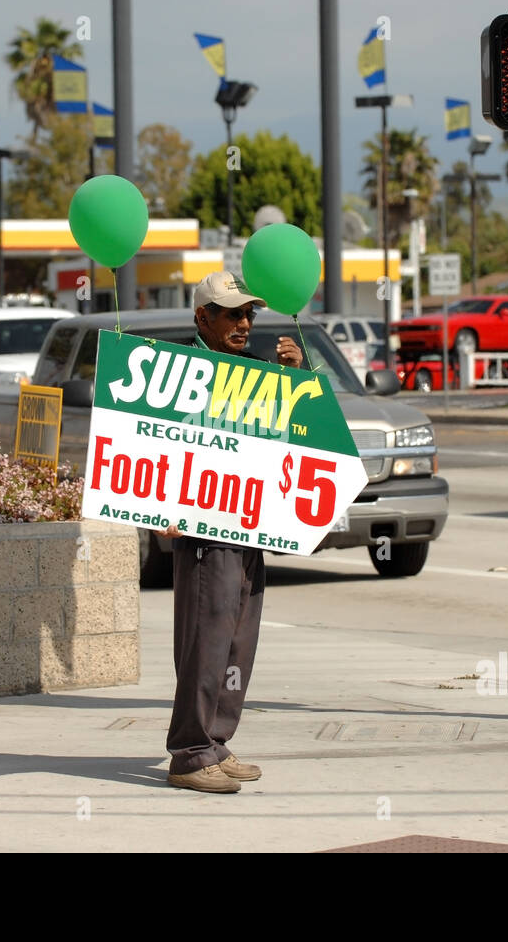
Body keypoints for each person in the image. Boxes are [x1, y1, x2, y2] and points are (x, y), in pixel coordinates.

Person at [158, 270, 302, 794]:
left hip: (249, 526)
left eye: (249, 314)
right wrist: (158, 508)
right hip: (204, 527)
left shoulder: (255, 374)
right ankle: (190, 753)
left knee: (238, 639)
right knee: (206, 634)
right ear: (203, 318)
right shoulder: (180, 373)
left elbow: (291, 437)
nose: (244, 323)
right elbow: (156, 443)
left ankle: (216, 740)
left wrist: (295, 377)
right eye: (232, 314)